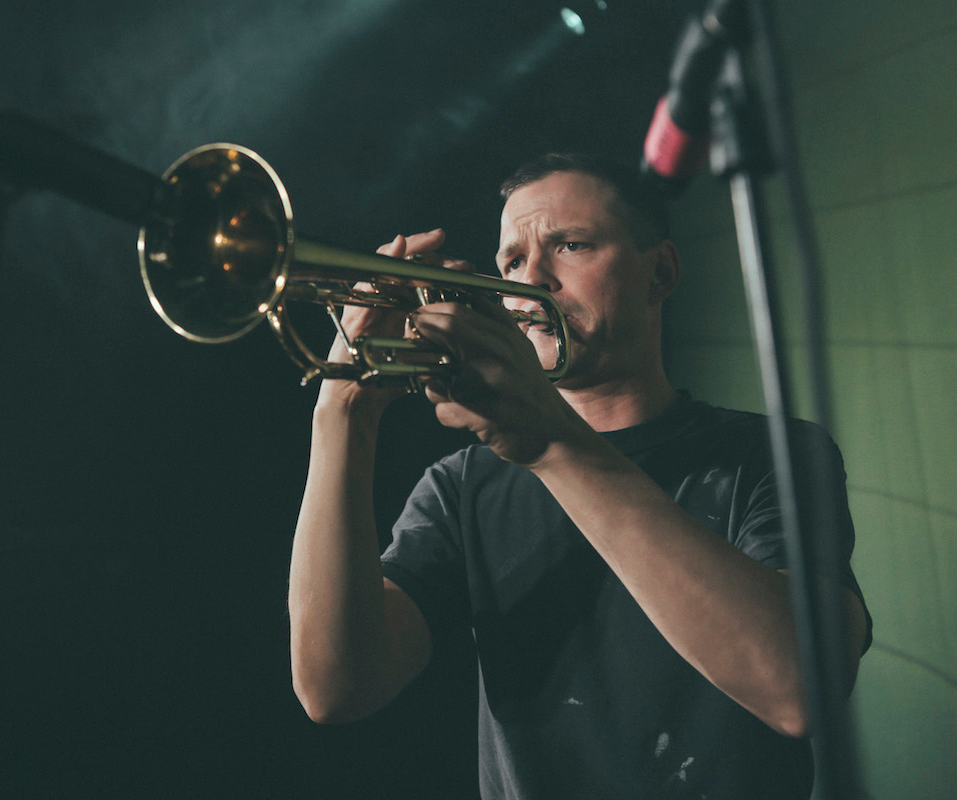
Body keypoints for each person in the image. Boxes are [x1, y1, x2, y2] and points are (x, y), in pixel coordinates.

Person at [288, 153, 871, 799]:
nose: (531, 278)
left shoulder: (772, 454)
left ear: (662, 272)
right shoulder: (461, 486)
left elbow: (800, 689)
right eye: (510, 261)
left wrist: (552, 447)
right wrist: (342, 406)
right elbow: (336, 686)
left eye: (571, 245)